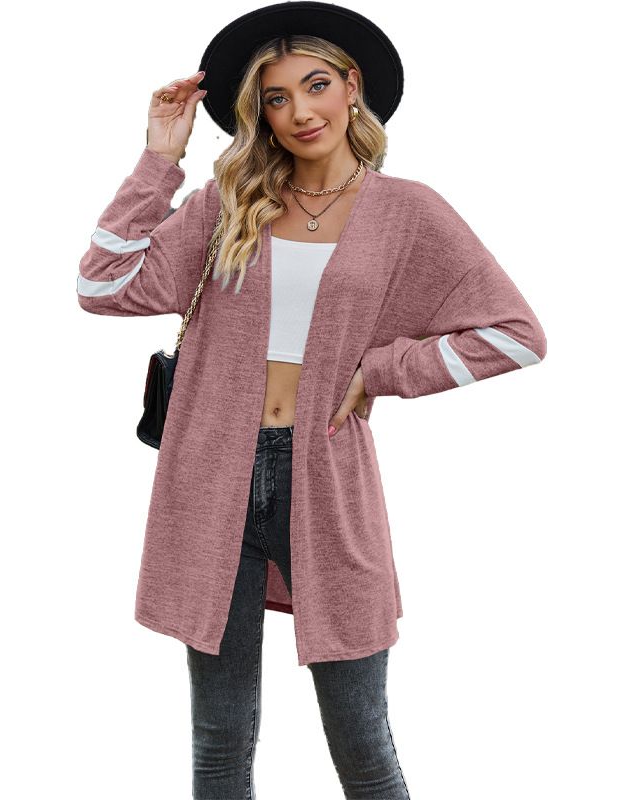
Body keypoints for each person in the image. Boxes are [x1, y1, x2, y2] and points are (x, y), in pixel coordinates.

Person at [76, 3, 546, 797]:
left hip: (325, 477)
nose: (299, 111)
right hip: (211, 476)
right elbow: (102, 286)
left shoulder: (410, 212)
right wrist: (160, 158)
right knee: (220, 739)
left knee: (361, 739)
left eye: (316, 85)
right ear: (258, 113)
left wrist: (384, 370)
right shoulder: (230, 201)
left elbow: (516, 335)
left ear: (352, 86)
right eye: (276, 97)